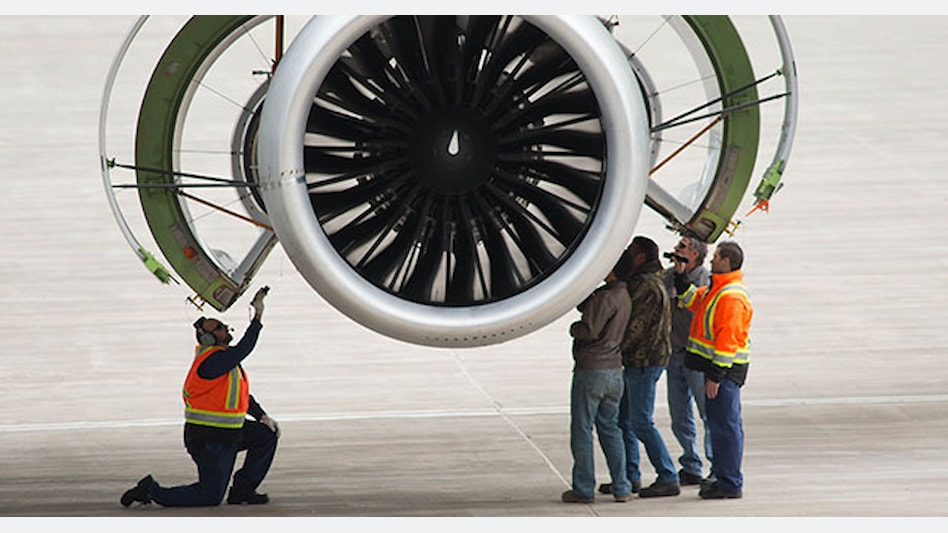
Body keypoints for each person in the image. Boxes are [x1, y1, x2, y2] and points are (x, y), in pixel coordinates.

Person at [121, 286, 280, 507]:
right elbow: (244, 348)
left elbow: (241, 395)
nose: (225, 328)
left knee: (266, 435)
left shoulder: (225, 360)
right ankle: (150, 490)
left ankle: (243, 489)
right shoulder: (211, 362)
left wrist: (262, 416)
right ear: (207, 337)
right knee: (210, 497)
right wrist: (258, 316)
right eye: (218, 327)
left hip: (229, 435)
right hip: (209, 440)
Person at [675, 241, 753, 499]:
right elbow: (690, 299)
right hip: (717, 372)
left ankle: (729, 483)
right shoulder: (716, 289)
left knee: (725, 428)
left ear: (727, 262)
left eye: (717, 257)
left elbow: (726, 341)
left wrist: (715, 377)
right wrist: (680, 274)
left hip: (724, 374)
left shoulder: (730, 296)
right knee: (721, 426)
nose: (712, 260)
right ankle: (723, 477)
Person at [561, 251, 635, 504]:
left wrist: (574, 328)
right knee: (610, 429)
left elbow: (589, 330)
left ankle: (583, 487)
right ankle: (622, 486)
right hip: (615, 371)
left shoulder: (606, 297)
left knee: (582, 428)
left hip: (592, 370)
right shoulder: (624, 296)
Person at [610, 235, 680, 498]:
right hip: (639, 360)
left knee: (640, 422)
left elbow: (635, 327)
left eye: (631, 251)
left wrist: (613, 348)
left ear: (640, 257)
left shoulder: (644, 285)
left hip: (644, 361)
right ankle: (630, 476)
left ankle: (667, 475)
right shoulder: (649, 281)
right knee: (624, 421)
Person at [662, 236, 712, 487]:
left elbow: (693, 305)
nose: (676, 250)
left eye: (682, 247)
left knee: (707, 413)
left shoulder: (704, 279)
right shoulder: (669, 276)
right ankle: (691, 464)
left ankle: (715, 464)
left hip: (696, 355)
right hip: (675, 352)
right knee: (679, 413)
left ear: (694, 255)